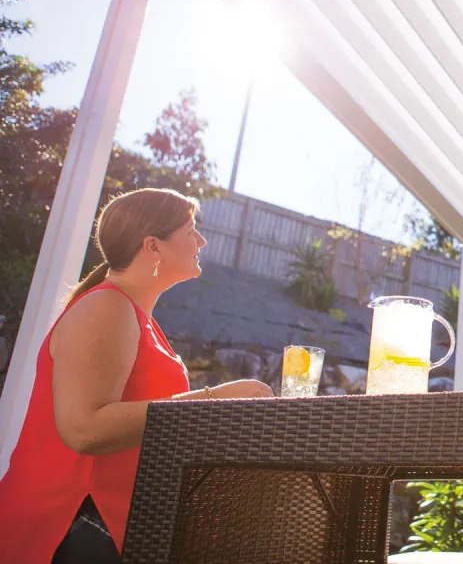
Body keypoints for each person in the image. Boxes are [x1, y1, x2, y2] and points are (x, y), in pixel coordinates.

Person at [0, 188, 274, 563]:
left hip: (109, 524)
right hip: (71, 528)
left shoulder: (134, 316)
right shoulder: (107, 306)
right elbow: (84, 429)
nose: (202, 241)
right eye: (190, 230)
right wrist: (214, 400)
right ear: (153, 246)